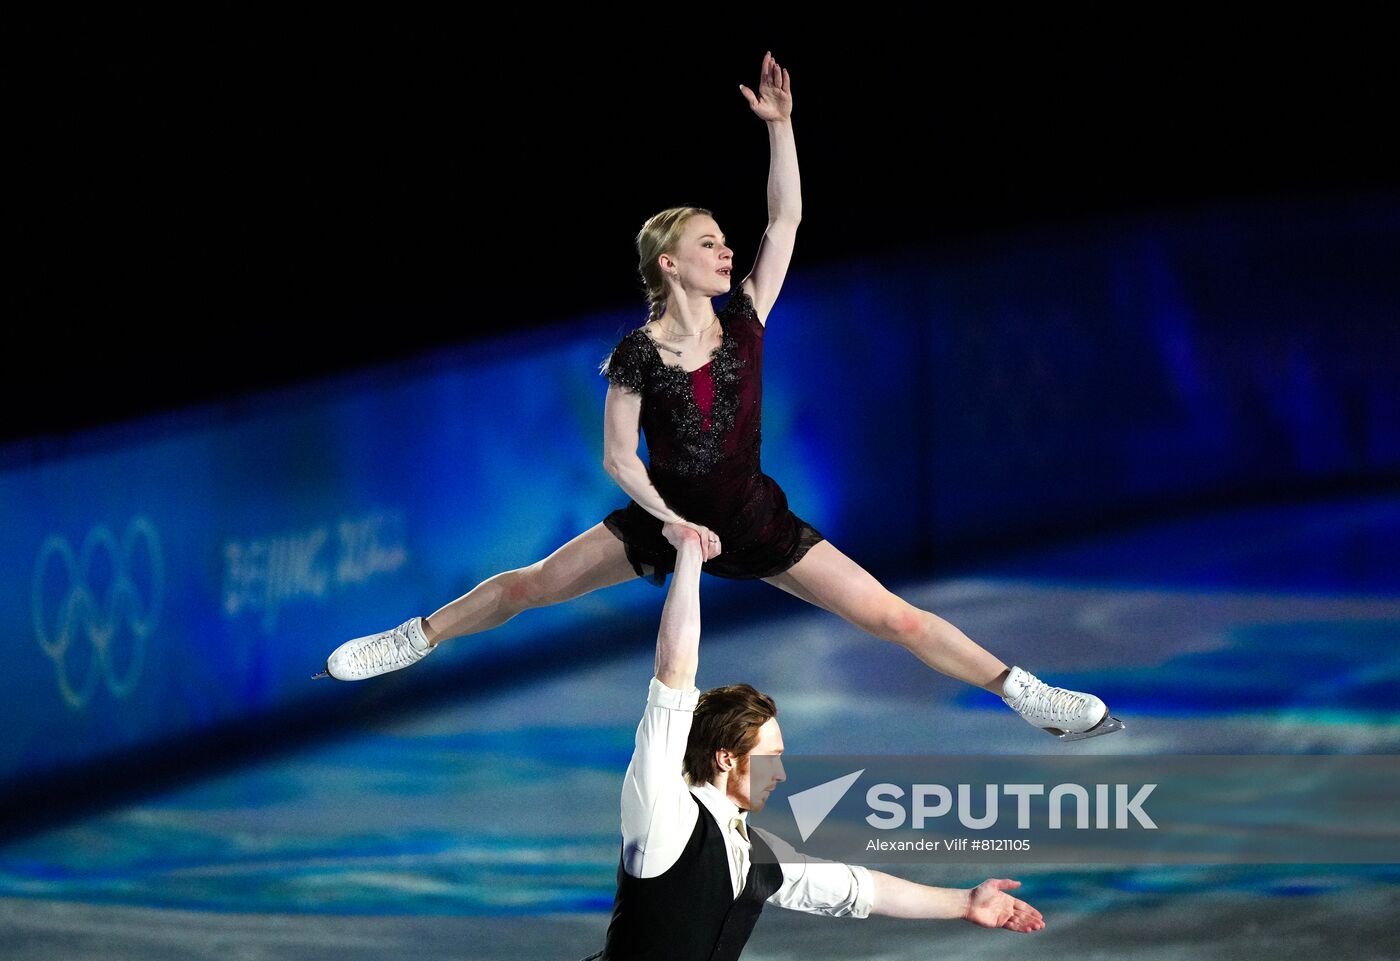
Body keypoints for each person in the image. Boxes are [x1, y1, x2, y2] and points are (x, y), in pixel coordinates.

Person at [320, 51, 1123, 742]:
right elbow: (616, 456)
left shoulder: (745, 318)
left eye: (722, 240)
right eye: (708, 242)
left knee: (895, 616)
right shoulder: (636, 353)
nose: (725, 247)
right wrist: (670, 523)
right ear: (668, 264)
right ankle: (412, 637)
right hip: (666, 522)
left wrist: (780, 125)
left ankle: (1028, 694)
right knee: (530, 584)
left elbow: (786, 218)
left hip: (754, 518)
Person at [580, 522, 1045, 960]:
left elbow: (855, 888)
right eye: (770, 758)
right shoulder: (664, 814)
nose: (780, 773)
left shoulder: (750, 852)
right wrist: (687, 555)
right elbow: (675, 673)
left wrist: (965, 902)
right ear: (725, 757)